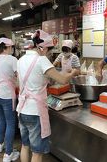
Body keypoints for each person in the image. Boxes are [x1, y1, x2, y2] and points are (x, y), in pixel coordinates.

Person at [17, 30, 77, 162]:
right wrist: (73, 73)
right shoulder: (41, 60)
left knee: (25, 145)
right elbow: (62, 80)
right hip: (35, 112)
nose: (49, 54)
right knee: (37, 152)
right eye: (49, 51)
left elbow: (22, 82)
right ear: (42, 48)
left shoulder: (20, 59)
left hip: (21, 109)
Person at [0, 37, 19, 162]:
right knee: (11, 123)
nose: (12, 49)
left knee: (2, 119)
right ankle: (8, 154)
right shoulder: (12, 59)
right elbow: (19, 76)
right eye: (12, 47)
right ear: (8, 47)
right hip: (6, 95)